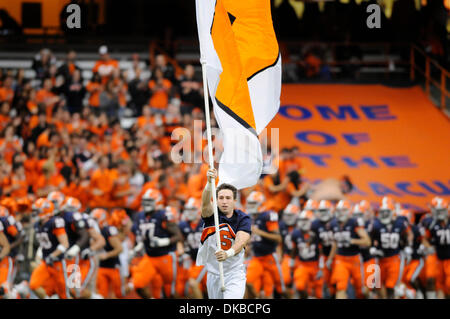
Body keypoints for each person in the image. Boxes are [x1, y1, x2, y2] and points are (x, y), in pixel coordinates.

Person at [196, 168, 252, 299]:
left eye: (228, 198)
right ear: (216, 200)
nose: (224, 201)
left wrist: (228, 253)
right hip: (214, 273)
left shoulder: (242, 218)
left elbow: (242, 240)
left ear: (234, 200)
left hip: (234, 272)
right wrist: (209, 183)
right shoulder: (212, 215)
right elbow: (205, 203)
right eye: (221, 198)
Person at [328, 200, 371, 299]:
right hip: (341, 259)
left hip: (355, 258)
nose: (340, 213)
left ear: (348, 211)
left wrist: (352, 241)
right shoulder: (333, 224)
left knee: (362, 290)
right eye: (338, 210)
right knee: (340, 286)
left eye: (343, 210)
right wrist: (330, 259)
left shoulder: (354, 222)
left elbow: (367, 241)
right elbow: (335, 243)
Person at [245, 191, 284, 298]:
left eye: (253, 203)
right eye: (250, 203)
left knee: (281, 289)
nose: (251, 206)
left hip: (270, 257)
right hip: (256, 257)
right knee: (247, 282)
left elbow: (278, 238)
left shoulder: (268, 215)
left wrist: (260, 232)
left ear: (260, 204)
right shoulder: (249, 217)